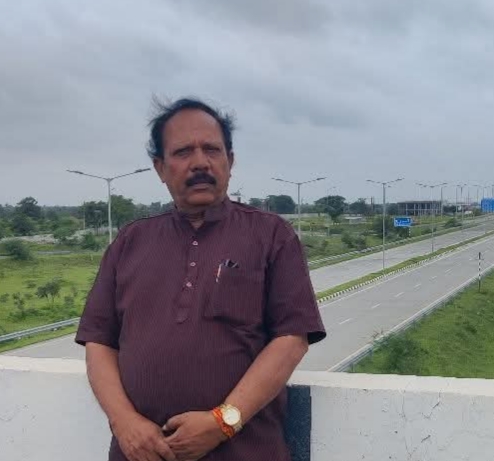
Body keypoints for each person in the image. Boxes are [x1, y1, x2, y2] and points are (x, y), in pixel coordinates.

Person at [75, 97, 326, 461]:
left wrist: (223, 421)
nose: (200, 163)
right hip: (140, 453)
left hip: (245, 452)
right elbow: (99, 341)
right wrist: (124, 421)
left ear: (230, 161)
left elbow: (292, 339)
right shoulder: (131, 241)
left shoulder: (272, 235)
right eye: (182, 152)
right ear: (160, 168)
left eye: (211, 149)